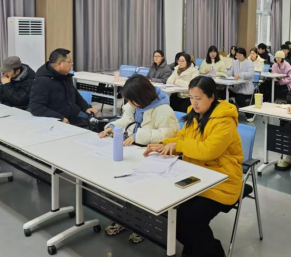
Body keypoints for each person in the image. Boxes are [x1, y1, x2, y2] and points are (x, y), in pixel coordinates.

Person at [144, 77, 243, 257]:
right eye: (191, 98)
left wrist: (178, 145)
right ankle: (195, 249)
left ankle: (212, 252)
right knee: (169, 213)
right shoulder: (194, 114)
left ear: (211, 97)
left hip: (222, 180)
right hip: (196, 175)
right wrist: (163, 144)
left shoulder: (224, 120)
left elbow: (208, 151)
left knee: (187, 220)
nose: (194, 103)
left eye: (198, 98)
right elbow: (182, 138)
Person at [100, 75, 180, 243]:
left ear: (141, 96)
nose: (129, 103)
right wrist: (112, 127)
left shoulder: (163, 110)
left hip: (153, 155)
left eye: (131, 99)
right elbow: (126, 121)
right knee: (123, 185)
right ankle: (126, 218)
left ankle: (142, 223)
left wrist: (138, 136)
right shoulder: (135, 105)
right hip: (135, 151)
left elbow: (169, 135)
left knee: (142, 191)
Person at [29, 49, 98, 125]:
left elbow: (74, 93)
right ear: (59, 64)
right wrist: (59, 118)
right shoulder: (42, 81)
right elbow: (36, 107)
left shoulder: (65, 75)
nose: (71, 65)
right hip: (56, 123)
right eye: (69, 62)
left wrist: (86, 107)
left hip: (72, 119)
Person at [227, 48, 255, 117]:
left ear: (244, 55)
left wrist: (240, 75)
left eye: (240, 55)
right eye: (237, 55)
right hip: (236, 87)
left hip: (246, 88)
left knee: (239, 99)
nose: (238, 57)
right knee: (224, 93)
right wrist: (229, 74)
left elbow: (251, 74)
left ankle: (250, 114)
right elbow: (231, 71)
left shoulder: (249, 63)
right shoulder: (235, 62)